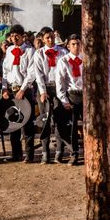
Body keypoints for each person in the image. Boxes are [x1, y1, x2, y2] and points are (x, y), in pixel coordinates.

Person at [2, 24, 36, 163]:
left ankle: (29, 154)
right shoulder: (9, 50)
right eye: (12, 35)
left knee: (27, 122)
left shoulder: (29, 51)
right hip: (10, 89)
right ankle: (16, 153)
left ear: (23, 36)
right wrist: (4, 88)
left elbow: (31, 73)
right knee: (12, 122)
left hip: (24, 90)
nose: (14, 38)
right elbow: (5, 71)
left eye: (17, 35)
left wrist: (22, 89)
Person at [33, 27, 67, 164]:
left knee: (60, 120)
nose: (50, 39)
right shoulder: (39, 54)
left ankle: (59, 152)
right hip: (45, 89)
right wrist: (42, 92)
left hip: (59, 89)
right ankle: (45, 152)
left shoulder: (62, 52)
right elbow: (38, 74)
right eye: (47, 37)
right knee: (45, 121)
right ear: (43, 39)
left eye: (52, 36)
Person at [55, 34, 84, 165]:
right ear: (68, 46)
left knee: (89, 126)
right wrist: (64, 100)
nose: (76, 46)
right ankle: (74, 154)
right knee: (71, 127)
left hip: (85, 95)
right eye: (73, 44)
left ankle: (89, 153)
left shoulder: (86, 59)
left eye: (78, 43)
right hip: (71, 95)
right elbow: (60, 82)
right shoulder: (63, 61)